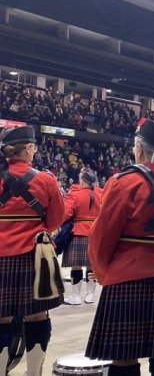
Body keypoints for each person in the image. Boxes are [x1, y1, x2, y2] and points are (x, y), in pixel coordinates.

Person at [85, 118, 154, 376]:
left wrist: (104, 274)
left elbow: (101, 237)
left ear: (139, 149)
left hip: (126, 280)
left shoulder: (123, 182)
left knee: (124, 359)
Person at [0, 126, 64, 376]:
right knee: (37, 316)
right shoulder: (45, 179)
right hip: (34, 258)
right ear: (28, 148)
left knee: (1, 318)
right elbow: (56, 220)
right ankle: (34, 373)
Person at [62, 167, 103, 304]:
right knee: (92, 265)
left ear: (82, 181)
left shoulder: (75, 194)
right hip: (96, 233)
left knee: (76, 266)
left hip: (78, 232)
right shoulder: (102, 193)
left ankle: (75, 297)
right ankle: (90, 295)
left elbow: (65, 212)